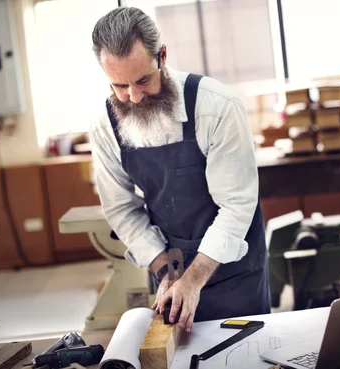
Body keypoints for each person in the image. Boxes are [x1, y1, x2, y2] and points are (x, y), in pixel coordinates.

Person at [89, 7, 270, 333]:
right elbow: (121, 208)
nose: (133, 97)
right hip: (170, 266)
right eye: (119, 85)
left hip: (235, 272)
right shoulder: (105, 126)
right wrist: (168, 274)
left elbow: (236, 205)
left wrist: (194, 279)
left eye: (143, 80)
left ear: (163, 55)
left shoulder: (217, 107)